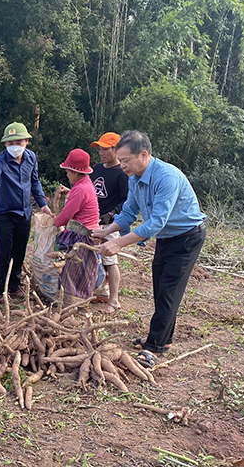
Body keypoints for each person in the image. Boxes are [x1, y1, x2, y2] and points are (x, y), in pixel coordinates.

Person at [93, 131, 206, 369]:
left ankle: (153, 348)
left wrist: (118, 243)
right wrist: (106, 231)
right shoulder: (135, 178)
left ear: (143, 155)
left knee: (169, 291)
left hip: (186, 238)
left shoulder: (167, 177)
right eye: (120, 160)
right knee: (160, 288)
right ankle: (164, 340)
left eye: (126, 160)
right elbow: (129, 213)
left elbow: (156, 222)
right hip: (167, 238)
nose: (122, 165)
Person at [0, 122, 53, 300]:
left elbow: (35, 182)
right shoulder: (1, 160)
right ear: (5, 144)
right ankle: (1, 290)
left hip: (24, 213)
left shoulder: (31, 158)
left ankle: (15, 286)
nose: (14, 146)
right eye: (10, 143)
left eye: (18, 142)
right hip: (5, 213)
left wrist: (43, 204)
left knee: (19, 251)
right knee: (4, 252)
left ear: (26, 141)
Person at [52, 148, 101, 307]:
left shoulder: (80, 189)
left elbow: (67, 214)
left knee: (73, 271)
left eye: (68, 171)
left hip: (81, 235)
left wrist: (54, 223)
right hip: (90, 232)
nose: (67, 175)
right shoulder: (85, 184)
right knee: (83, 271)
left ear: (76, 172)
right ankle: (77, 302)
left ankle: (71, 304)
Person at [89, 132, 128, 311]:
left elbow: (126, 201)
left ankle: (114, 300)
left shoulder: (122, 173)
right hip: (92, 221)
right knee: (90, 256)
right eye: (100, 149)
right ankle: (98, 290)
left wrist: (111, 214)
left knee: (110, 260)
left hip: (109, 223)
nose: (101, 152)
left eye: (105, 149)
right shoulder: (96, 169)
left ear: (116, 150)